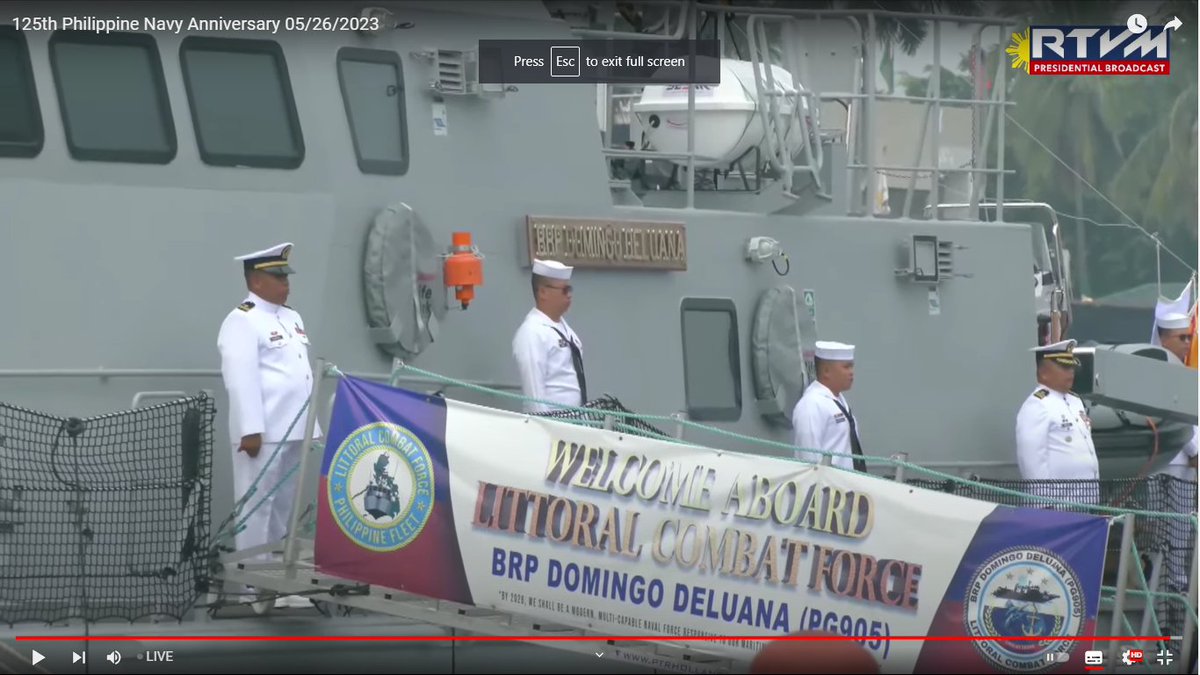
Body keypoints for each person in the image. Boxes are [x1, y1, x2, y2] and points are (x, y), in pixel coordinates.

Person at [217, 242, 321, 611]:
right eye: (278, 277)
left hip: (294, 428)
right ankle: (253, 587)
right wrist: (250, 429)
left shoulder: (291, 318)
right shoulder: (241, 320)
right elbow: (240, 378)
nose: (285, 284)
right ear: (256, 281)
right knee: (256, 508)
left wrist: (311, 426)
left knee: (283, 508)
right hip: (263, 433)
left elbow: (300, 374)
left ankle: (278, 582)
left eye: (286, 277)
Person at [1014, 339, 1099, 506]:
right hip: (1057, 505)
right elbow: (1031, 459)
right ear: (1044, 372)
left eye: (1072, 367)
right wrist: (1044, 503)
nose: (1071, 372)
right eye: (1064, 367)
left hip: (1085, 502)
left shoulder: (1075, 401)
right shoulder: (1037, 405)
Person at [512, 259, 587, 414]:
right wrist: (546, 424)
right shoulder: (533, 332)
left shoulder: (566, 330)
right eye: (564, 290)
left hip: (575, 421)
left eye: (570, 289)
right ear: (543, 292)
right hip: (553, 423)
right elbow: (534, 395)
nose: (569, 295)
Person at [791, 341, 866, 472]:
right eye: (846, 367)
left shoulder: (838, 401)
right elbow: (809, 457)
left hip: (846, 482)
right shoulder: (811, 405)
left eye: (852, 367)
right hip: (827, 483)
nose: (851, 372)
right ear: (826, 371)